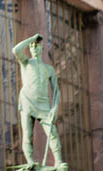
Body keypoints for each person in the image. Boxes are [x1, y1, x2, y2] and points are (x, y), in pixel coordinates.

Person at [12, 33, 67, 169]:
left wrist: (55, 108)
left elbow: (56, 91)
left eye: (36, 45)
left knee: (52, 133)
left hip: (43, 105)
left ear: (42, 47)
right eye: (32, 46)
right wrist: (31, 39)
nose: (34, 48)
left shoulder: (49, 69)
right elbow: (16, 50)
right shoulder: (26, 62)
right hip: (27, 101)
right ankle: (30, 161)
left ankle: (58, 161)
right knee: (27, 134)